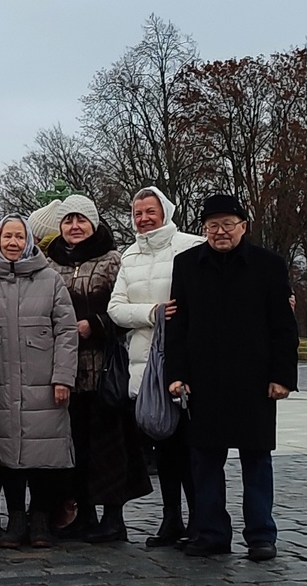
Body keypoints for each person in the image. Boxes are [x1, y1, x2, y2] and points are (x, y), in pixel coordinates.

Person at [163, 194, 298, 562]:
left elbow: (284, 327)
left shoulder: (269, 266)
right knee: (204, 461)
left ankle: (260, 535)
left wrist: (282, 376)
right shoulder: (186, 264)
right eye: (212, 226)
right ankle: (210, 533)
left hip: (254, 380)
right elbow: (178, 324)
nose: (220, 232)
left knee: (256, 459)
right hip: (203, 380)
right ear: (203, 230)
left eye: (227, 224)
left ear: (243, 226)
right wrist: (176, 374)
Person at [106, 186, 204, 548]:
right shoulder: (129, 256)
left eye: (150, 211)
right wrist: (153, 312)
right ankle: (171, 519)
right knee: (163, 448)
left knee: (191, 447)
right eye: (137, 213)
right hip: (144, 366)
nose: (144, 219)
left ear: (165, 211)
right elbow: (116, 308)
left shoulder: (190, 246)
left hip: (183, 360)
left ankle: (199, 519)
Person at [0, 215, 77, 549]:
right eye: (7, 236)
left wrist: (63, 376)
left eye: (19, 236)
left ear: (29, 240)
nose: (13, 243)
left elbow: (66, 331)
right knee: (8, 455)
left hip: (44, 383)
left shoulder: (50, 280)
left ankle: (40, 519)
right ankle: (16, 517)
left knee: (43, 455)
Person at [49, 194, 142, 543]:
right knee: (75, 446)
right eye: (68, 220)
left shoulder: (113, 261)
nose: (75, 226)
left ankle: (114, 517)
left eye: (81, 220)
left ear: (94, 223)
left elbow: (128, 311)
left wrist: (96, 325)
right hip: (66, 371)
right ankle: (82, 513)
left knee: (109, 446)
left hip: (104, 369)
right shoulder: (51, 263)